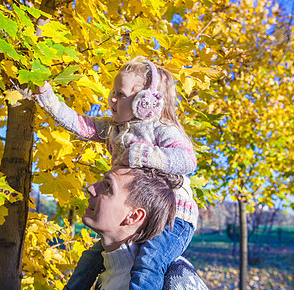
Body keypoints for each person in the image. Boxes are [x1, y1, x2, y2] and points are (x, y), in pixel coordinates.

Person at [34, 56, 198, 289]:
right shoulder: (115, 129)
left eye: (120, 95)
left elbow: (187, 160)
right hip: (139, 213)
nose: (111, 99)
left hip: (173, 218)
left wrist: (146, 155)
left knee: (149, 262)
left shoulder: (162, 130)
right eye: (113, 91)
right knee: (90, 259)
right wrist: (47, 97)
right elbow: (80, 124)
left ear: (146, 102)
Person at [68, 166, 207, 290]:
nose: (91, 188)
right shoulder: (107, 272)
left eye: (108, 186)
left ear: (134, 216)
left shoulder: (177, 278)